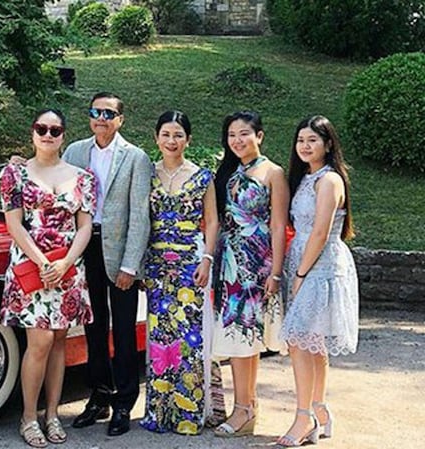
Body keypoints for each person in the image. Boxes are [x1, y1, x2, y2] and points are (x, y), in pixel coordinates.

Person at [0, 109, 97, 448]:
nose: (48, 134)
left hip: (68, 267)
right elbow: (13, 225)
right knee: (38, 342)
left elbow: (84, 226)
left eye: (55, 130)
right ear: (32, 133)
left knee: (59, 341)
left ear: (63, 136)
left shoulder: (82, 177)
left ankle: (52, 414)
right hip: (32, 266)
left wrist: (67, 261)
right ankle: (29, 416)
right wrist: (43, 263)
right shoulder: (15, 175)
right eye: (41, 128)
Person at [64, 92, 152, 437]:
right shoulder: (75, 152)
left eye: (108, 113)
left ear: (120, 119)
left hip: (119, 252)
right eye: (95, 112)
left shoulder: (136, 157)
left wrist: (131, 264)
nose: (101, 117)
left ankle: (125, 402)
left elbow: (140, 215)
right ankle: (98, 397)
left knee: (125, 331)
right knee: (94, 326)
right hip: (85, 246)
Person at [138, 110, 225, 435]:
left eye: (178, 135)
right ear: (156, 138)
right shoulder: (146, 174)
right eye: (166, 134)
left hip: (191, 263)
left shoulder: (203, 176)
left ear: (188, 139)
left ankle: (189, 413)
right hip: (158, 267)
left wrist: (207, 259)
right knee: (161, 338)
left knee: (191, 339)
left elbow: (213, 222)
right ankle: (160, 412)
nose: (171, 141)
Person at [275, 115, 359, 447]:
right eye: (301, 140)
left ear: (328, 144)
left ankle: (303, 417)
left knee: (299, 340)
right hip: (304, 259)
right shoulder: (306, 178)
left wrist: (299, 274)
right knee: (312, 341)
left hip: (321, 266)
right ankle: (320, 410)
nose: (305, 146)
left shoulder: (330, 181)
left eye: (313, 140)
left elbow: (321, 232)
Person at [211, 110, 289, 438]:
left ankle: (244, 409)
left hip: (256, 265)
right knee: (238, 337)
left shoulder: (273, 173)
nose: (237, 140)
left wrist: (275, 272)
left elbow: (278, 225)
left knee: (245, 335)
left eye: (244, 133)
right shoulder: (229, 172)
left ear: (259, 135)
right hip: (229, 261)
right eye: (231, 135)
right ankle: (246, 407)